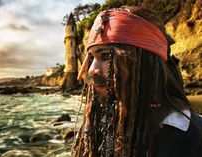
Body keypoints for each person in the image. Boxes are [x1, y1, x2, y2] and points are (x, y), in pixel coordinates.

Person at [72, 6, 202, 157]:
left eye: (106, 56)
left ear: (144, 62)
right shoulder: (105, 123)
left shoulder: (191, 136)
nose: (91, 70)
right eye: (92, 57)